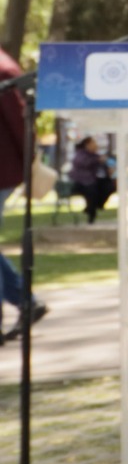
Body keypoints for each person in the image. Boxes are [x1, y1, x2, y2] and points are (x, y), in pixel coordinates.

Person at [0, 46, 47, 341]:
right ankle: (26, 301)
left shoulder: (4, 70)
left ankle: (25, 300)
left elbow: (21, 123)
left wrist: (29, 161)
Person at [69, 136, 116, 224]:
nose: (96, 145)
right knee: (91, 190)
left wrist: (108, 168)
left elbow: (103, 166)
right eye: (93, 143)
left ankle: (96, 205)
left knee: (109, 185)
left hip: (93, 181)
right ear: (87, 145)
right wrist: (97, 160)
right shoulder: (80, 154)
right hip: (81, 182)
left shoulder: (94, 155)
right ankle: (91, 211)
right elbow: (84, 163)